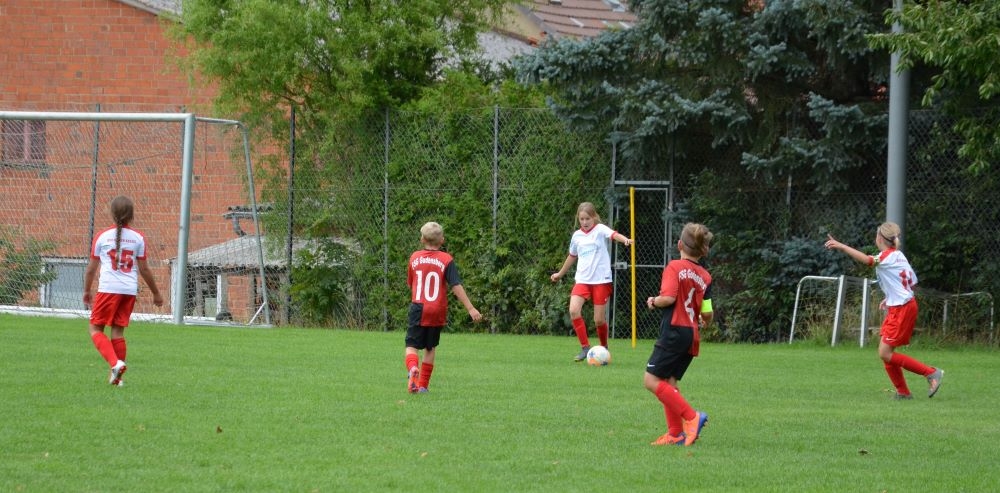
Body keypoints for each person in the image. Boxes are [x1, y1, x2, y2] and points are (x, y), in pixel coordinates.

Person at [825, 222, 943, 400]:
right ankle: (903, 392)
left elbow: (868, 261)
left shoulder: (886, 256)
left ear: (879, 238)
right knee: (886, 353)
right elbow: (911, 282)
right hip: (902, 305)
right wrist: (890, 297)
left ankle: (931, 373)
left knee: (885, 353)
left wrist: (842, 246)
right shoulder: (898, 255)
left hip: (902, 308)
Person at [83, 196, 163, 386]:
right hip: (128, 290)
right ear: (132, 215)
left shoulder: (102, 236)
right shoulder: (138, 237)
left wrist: (86, 290)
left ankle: (115, 364)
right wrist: (156, 293)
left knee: (95, 328)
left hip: (108, 289)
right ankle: (117, 379)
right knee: (117, 332)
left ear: (112, 213)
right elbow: (144, 269)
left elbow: (91, 269)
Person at [645, 223, 713, 446]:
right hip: (691, 335)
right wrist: (704, 320)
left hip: (673, 332)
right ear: (702, 250)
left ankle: (692, 418)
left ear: (679, 245)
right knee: (669, 381)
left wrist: (654, 301)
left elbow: (668, 298)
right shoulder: (706, 276)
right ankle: (675, 434)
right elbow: (707, 313)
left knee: (651, 380)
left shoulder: (674, 267)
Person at [404, 222, 482, 393]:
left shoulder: (414, 257)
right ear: (442, 240)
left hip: (418, 307)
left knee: (411, 345)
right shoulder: (446, 259)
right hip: (437, 309)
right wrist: (470, 308)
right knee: (430, 347)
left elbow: (411, 283)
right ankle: (423, 386)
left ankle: (413, 369)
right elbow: (455, 285)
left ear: (422, 239)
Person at [550, 202, 633, 361]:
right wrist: (560, 274)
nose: (585, 222)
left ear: (594, 217)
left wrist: (625, 240)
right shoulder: (577, 236)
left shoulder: (600, 229)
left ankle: (604, 348)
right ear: (578, 219)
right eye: (582, 219)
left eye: (587, 218)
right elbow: (572, 256)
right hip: (582, 280)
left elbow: (614, 235)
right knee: (573, 310)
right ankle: (585, 348)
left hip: (601, 280)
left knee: (599, 320)